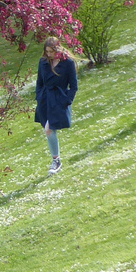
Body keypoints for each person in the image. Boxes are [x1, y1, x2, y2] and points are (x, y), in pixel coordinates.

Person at [33, 37, 78, 175]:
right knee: (49, 129)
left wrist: (67, 100)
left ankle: (56, 160)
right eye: (47, 52)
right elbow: (39, 82)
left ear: (58, 50)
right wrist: (39, 96)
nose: (49, 55)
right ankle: (56, 159)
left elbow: (74, 86)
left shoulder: (68, 63)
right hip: (45, 100)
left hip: (59, 100)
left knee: (49, 129)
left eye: (51, 52)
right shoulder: (43, 63)